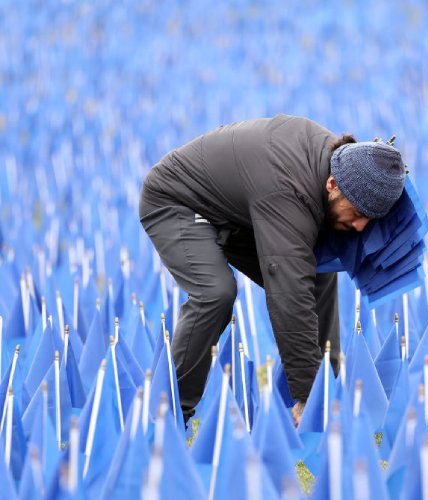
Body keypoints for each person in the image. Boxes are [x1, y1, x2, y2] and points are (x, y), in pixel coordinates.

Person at [138, 114, 406, 426]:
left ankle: (327, 393)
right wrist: (306, 394)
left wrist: (320, 393)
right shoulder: (289, 192)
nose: (360, 227)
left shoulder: (342, 163)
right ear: (332, 185)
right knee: (216, 293)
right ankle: (167, 416)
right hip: (176, 202)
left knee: (317, 269)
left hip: (238, 213)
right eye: (358, 214)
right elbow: (289, 293)